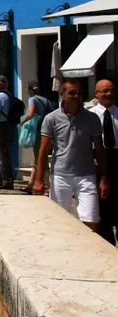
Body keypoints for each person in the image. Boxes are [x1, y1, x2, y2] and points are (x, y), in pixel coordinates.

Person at [34, 78, 109, 231]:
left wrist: (104, 178)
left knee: (91, 218)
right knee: (59, 219)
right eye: (72, 93)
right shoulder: (51, 119)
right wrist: (39, 179)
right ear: (62, 95)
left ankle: (88, 250)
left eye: (79, 93)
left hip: (86, 174)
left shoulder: (92, 118)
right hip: (60, 175)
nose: (77, 96)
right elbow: (43, 151)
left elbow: (100, 150)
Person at [91, 79, 118, 244]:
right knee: (103, 207)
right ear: (97, 94)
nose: (108, 94)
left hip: (117, 160)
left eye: (111, 90)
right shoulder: (90, 115)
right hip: (97, 162)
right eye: (104, 91)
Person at [20, 81, 53, 194]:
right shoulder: (46, 101)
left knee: (41, 158)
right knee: (37, 158)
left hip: (38, 130)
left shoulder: (32, 99)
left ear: (30, 90)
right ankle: (30, 183)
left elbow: (31, 113)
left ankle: (48, 187)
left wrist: (22, 123)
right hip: (47, 131)